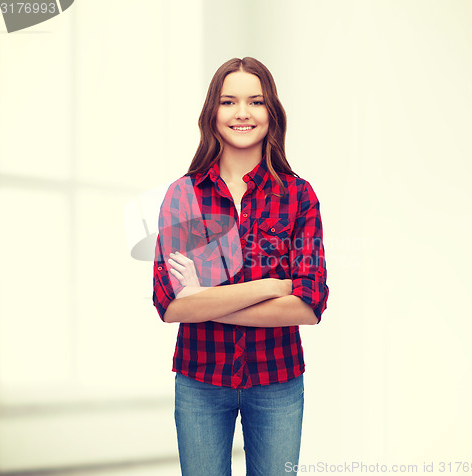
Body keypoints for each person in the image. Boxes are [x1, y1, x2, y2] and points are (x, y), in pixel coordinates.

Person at [153, 57, 329, 476]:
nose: (243, 113)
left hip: (277, 381)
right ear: (213, 113)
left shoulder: (298, 195)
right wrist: (273, 284)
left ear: (272, 113)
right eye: (229, 101)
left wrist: (205, 300)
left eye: (257, 101)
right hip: (200, 381)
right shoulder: (184, 195)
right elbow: (171, 305)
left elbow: (309, 305)